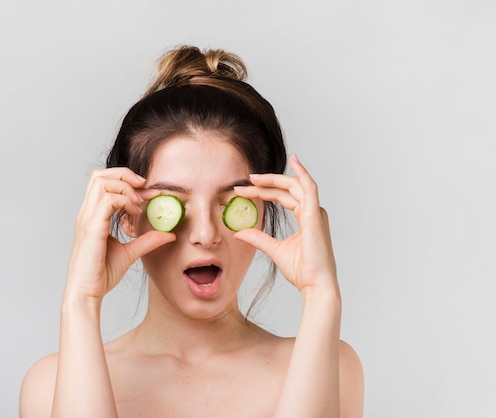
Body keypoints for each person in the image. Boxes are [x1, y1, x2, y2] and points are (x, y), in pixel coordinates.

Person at [19, 44, 364, 417]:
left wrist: (321, 296)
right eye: (173, 204)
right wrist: (81, 301)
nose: (205, 233)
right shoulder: (51, 384)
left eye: (228, 203)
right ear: (126, 216)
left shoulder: (332, 365)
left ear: (262, 211)